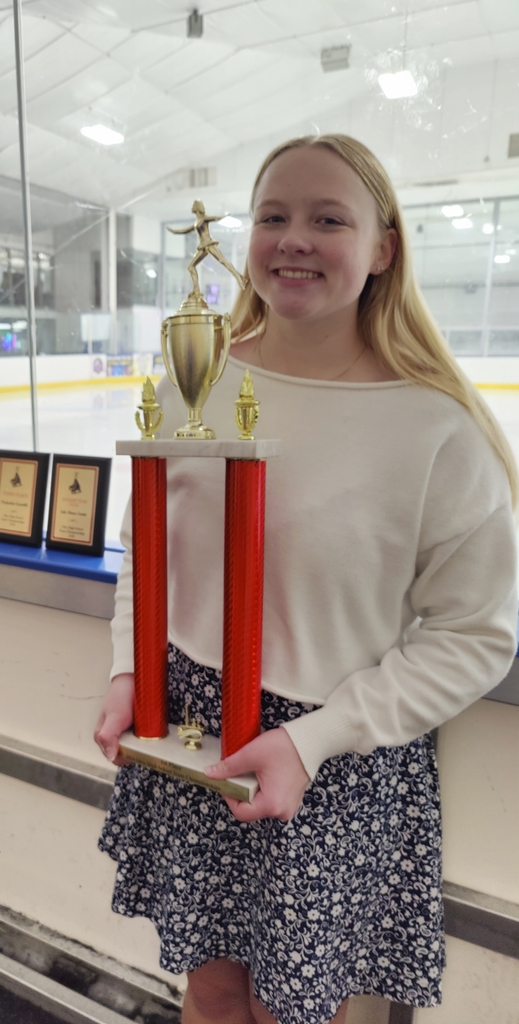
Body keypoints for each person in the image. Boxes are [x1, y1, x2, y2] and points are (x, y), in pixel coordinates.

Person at [95, 134, 518, 1024]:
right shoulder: (192, 384)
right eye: (273, 216)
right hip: (195, 724)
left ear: (381, 248)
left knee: (297, 1009)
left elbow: (474, 633)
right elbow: (148, 549)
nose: (294, 239)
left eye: (329, 219)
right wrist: (132, 671)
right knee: (210, 990)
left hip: (334, 756)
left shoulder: (436, 427)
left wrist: (314, 739)